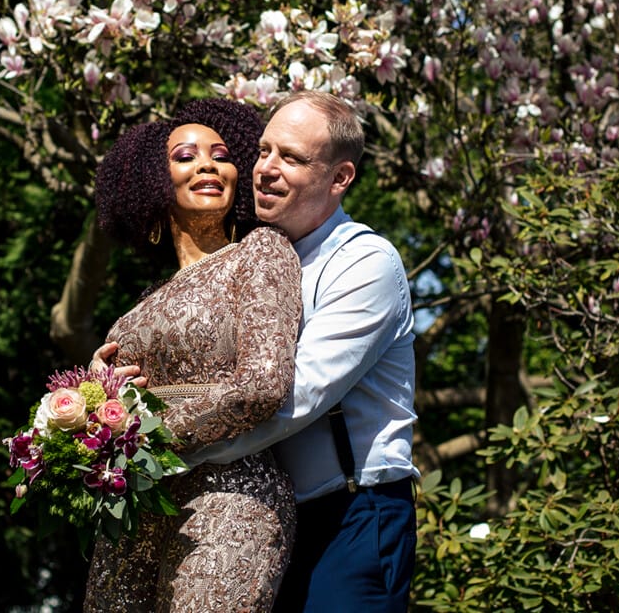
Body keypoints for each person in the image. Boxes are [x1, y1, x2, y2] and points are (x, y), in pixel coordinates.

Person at [186, 91, 418, 613]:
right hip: (267, 513)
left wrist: (176, 455)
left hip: (354, 515)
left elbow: (295, 398)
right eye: (264, 151)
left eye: (290, 158)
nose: (265, 169)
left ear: (340, 179)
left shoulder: (365, 264)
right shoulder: (250, 260)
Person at [83, 98, 303, 613]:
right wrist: (93, 396)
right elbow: (116, 402)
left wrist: (140, 439)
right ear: (154, 187)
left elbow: (264, 384)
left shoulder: (262, 252)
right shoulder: (131, 315)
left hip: (230, 495)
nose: (207, 164)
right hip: (135, 506)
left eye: (221, 154)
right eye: (185, 156)